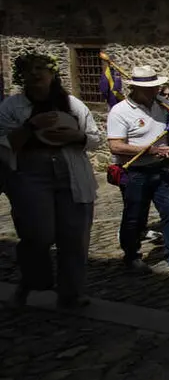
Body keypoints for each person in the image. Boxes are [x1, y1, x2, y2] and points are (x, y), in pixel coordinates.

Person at [0, 52, 102, 308]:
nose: (35, 74)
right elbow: (4, 144)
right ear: (22, 75)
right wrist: (31, 126)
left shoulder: (73, 105)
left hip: (72, 175)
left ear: (52, 73)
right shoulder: (11, 107)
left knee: (74, 237)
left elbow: (95, 138)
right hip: (31, 175)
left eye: (40, 68)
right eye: (29, 70)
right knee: (37, 235)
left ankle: (71, 293)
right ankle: (31, 281)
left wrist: (76, 137)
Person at [107, 65, 169, 272]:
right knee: (134, 215)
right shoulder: (120, 111)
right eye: (151, 88)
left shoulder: (162, 104)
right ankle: (132, 255)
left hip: (162, 168)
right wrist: (148, 150)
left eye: (156, 87)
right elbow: (115, 146)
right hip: (135, 171)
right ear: (136, 88)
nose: (156, 91)